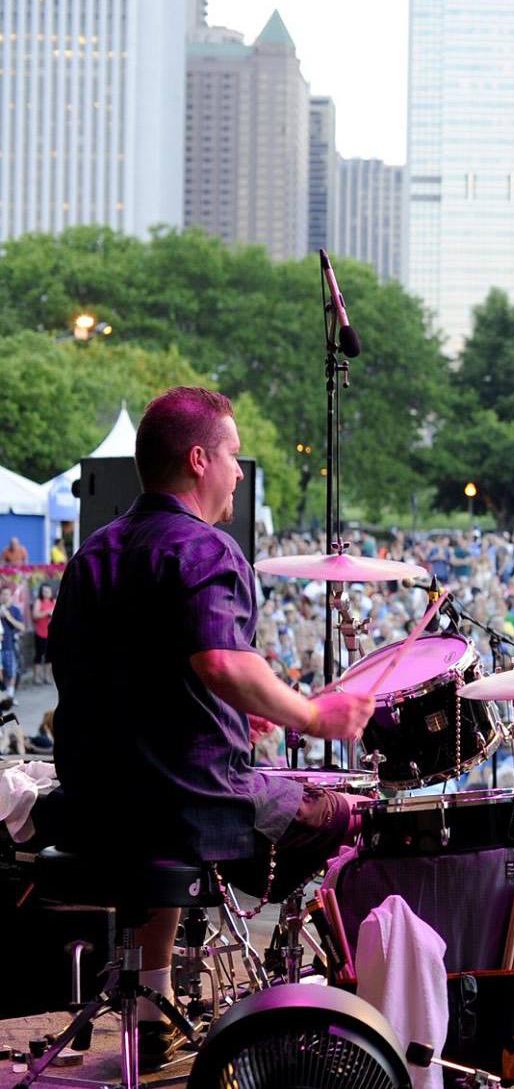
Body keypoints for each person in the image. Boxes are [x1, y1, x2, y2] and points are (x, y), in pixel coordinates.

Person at [48, 387, 375, 1068]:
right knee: (355, 815)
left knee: (159, 834)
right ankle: (328, 1012)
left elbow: (137, 680)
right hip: (192, 801)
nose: (238, 473)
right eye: (233, 456)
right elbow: (222, 660)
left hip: (91, 802)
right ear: (199, 459)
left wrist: (227, 708)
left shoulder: (93, 555)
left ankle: (152, 1010)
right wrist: (316, 714)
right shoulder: (207, 548)